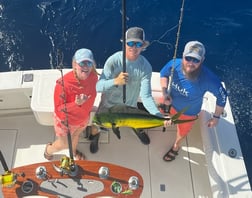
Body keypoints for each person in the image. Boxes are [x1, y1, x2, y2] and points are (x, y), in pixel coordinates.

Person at [89, 27, 169, 153]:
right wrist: (115, 81)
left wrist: (158, 115)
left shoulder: (145, 67)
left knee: (137, 122)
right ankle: (95, 137)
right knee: (97, 125)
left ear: (143, 46)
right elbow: (98, 87)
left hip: (129, 107)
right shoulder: (114, 61)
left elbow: (146, 96)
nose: (134, 47)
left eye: (138, 44)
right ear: (124, 43)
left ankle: (137, 129)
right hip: (108, 107)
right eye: (130, 43)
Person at [160, 41, 227, 161]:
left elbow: (222, 97)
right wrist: (164, 92)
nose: (191, 63)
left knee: (182, 132)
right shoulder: (174, 63)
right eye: (188, 58)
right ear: (183, 55)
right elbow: (163, 74)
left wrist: (216, 117)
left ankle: (176, 146)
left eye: (195, 60)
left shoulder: (209, 79)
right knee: (158, 116)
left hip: (188, 114)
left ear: (202, 60)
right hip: (169, 103)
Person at [44, 48, 98, 160]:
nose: (86, 66)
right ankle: (48, 150)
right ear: (74, 64)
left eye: (89, 63)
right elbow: (59, 109)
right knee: (63, 144)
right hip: (66, 121)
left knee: (76, 136)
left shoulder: (94, 77)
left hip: (83, 118)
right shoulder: (62, 84)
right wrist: (76, 104)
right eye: (82, 63)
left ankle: (72, 152)